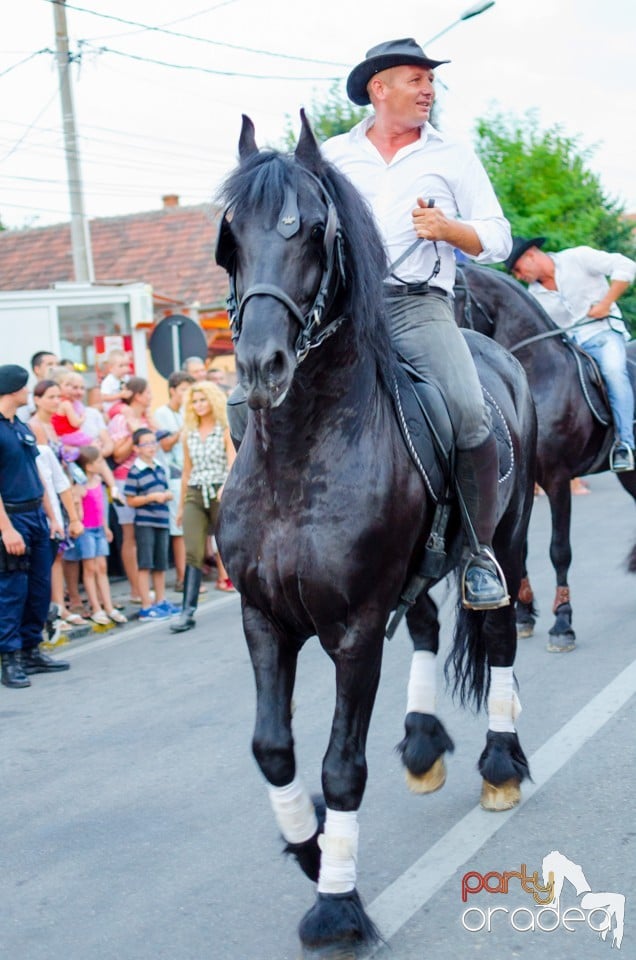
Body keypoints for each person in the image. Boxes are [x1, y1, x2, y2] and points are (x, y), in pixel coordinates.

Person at [321, 37, 513, 609]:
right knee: (253, 400)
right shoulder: (332, 155)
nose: (428, 89)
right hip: (339, 309)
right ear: (379, 89)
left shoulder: (453, 155)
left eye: (431, 80)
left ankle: (478, 554)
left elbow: (499, 239)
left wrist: (449, 230)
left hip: (415, 305)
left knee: (466, 410)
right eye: (416, 79)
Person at [505, 236, 636, 472]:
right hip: (570, 349)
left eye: (517, 268)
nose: (518, 276)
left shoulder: (578, 257)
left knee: (613, 371)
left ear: (531, 254)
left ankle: (624, 443)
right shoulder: (534, 297)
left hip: (603, 334)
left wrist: (606, 303)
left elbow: (626, 266)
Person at [0, 365, 70, 689]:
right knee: (12, 590)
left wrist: (53, 517)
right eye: (24, 387)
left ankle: (31, 650)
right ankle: (10, 658)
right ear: (12, 389)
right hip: (11, 518)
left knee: (39, 588)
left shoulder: (21, 427)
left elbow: (37, 473)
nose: (28, 392)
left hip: (37, 516)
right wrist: (6, 529)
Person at [171, 382, 236, 633]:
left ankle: (253, 600)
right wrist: (180, 507)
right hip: (196, 494)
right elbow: (187, 472)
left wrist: (226, 487)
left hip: (221, 491)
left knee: (230, 548)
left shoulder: (224, 429)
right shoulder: (189, 433)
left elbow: (233, 462)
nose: (199, 405)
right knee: (193, 552)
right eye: (194, 401)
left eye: (202, 400)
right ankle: (186, 612)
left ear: (212, 401)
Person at [108, 377, 157, 602]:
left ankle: (148, 587)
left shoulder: (147, 417)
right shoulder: (120, 419)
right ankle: (136, 589)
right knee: (129, 536)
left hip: (150, 477)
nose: (150, 397)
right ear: (137, 395)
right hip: (125, 478)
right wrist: (134, 433)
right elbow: (117, 455)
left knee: (147, 534)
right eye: (147, 393)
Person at [123, 428, 179, 622]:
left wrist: (167, 495)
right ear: (136, 448)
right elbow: (130, 500)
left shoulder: (160, 467)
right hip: (145, 521)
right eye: (146, 443)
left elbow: (167, 490)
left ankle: (161, 600)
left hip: (162, 520)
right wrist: (149, 498)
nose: (151, 447)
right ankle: (146, 604)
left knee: (161, 564)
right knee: (145, 563)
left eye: (153, 442)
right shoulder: (135, 471)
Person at [73, 446, 128, 626]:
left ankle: (108, 605)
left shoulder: (98, 481)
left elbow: (101, 507)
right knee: (90, 569)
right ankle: (96, 607)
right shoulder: (79, 487)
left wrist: (106, 527)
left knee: (102, 567)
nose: (101, 465)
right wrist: (77, 501)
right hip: (86, 531)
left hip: (98, 528)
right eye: (98, 462)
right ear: (88, 466)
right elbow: (79, 514)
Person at [154, 371, 195, 590]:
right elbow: (166, 444)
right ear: (172, 390)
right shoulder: (162, 413)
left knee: (189, 528)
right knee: (178, 529)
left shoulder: (185, 411)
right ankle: (181, 577)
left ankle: (190, 574)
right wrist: (183, 430)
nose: (187, 394)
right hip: (172, 475)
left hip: (187, 472)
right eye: (183, 390)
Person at [99, 349, 132, 413]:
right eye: (121, 366)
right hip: (112, 407)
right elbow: (104, 397)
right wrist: (120, 395)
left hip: (123, 405)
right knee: (127, 410)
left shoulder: (127, 378)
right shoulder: (109, 381)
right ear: (111, 368)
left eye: (127, 365)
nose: (125, 368)